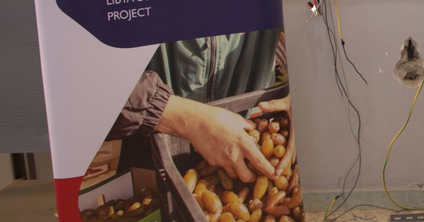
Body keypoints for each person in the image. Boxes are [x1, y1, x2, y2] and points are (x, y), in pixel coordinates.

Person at [109, 28, 291, 183]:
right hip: (152, 163)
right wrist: (187, 118)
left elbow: (312, 14)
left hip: (255, 156)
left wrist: (302, 98)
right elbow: (88, 77)